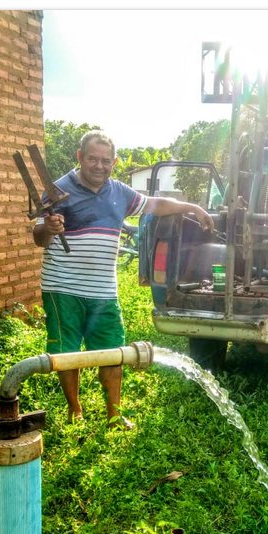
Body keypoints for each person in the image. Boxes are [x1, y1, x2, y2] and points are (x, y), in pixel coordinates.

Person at [33, 130, 215, 427]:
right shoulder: (57, 191)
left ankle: (114, 414)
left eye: (106, 160)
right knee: (66, 353)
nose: (99, 166)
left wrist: (191, 207)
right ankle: (75, 410)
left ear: (114, 162)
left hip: (104, 290)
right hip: (62, 287)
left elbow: (155, 204)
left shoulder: (119, 192)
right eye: (92, 158)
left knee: (113, 351)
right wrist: (50, 229)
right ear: (80, 157)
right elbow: (38, 238)